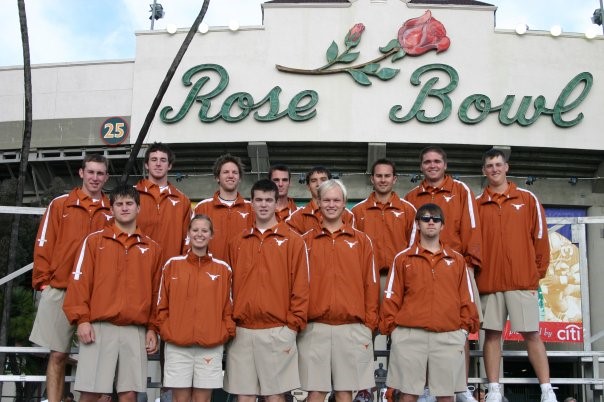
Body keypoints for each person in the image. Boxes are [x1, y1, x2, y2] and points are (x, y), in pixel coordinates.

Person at [63, 185, 163, 402]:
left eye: (129, 204)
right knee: (90, 392)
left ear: (138, 208)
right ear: (111, 209)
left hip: (135, 329)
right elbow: (79, 281)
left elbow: (157, 292)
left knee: (129, 394)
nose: (124, 208)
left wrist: (153, 328)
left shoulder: (153, 248)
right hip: (100, 326)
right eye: (119, 204)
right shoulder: (94, 241)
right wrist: (81, 320)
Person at [29, 154, 111, 402]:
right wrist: (43, 283)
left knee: (97, 357)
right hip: (61, 288)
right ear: (81, 173)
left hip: (96, 294)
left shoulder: (112, 209)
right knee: (57, 354)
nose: (95, 177)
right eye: (91, 172)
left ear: (106, 177)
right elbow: (44, 242)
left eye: (100, 173)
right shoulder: (60, 204)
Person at [476, 149, 556, 402]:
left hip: (522, 282)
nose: (494, 169)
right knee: (491, 335)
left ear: (506, 167)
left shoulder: (527, 198)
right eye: (489, 166)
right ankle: (494, 389)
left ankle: (546, 389)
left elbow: (541, 239)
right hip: (490, 283)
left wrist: (535, 274)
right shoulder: (477, 203)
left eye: (498, 164)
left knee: (531, 333)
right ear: (484, 170)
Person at [379, 203, 479, 402]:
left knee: (445, 395)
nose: (430, 222)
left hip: (448, 335)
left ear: (443, 226)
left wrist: (463, 331)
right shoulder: (402, 258)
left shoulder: (457, 260)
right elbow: (391, 295)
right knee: (408, 394)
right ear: (417, 224)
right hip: (410, 335)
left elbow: (467, 298)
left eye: (435, 219)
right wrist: (394, 330)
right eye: (425, 218)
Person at [405, 146, 482, 402]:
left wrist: (470, 262)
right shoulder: (411, 196)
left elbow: (472, 226)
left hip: (455, 267)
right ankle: (428, 388)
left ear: (445, 165)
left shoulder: (461, 190)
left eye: (437, 161)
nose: (432, 165)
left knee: (460, 329)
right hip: (421, 268)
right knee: (426, 331)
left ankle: (461, 387)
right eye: (427, 162)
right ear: (421, 166)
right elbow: (409, 236)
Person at [223, 179, 309, 402]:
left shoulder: (293, 241)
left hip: (277, 329)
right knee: (244, 397)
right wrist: (230, 323)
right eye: (258, 200)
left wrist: (291, 326)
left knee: (275, 396)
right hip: (242, 331)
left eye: (268, 200)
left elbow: (301, 286)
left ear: (276, 202)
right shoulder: (237, 242)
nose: (263, 205)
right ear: (251, 202)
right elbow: (227, 288)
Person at [298, 179, 379, 402]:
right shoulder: (304, 242)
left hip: (351, 328)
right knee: (315, 392)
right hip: (315, 328)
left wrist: (368, 325)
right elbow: (297, 286)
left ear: (344, 203)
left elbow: (371, 284)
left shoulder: (362, 241)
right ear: (318, 203)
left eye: (336, 200)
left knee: (345, 392)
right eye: (326, 200)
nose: (331, 204)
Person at [157, 214, 235, 402]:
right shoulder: (172, 265)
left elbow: (228, 308)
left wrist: (223, 333)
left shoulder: (223, 269)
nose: (199, 234)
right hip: (177, 345)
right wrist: (169, 331)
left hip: (210, 346)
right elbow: (162, 305)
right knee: (180, 399)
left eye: (204, 230)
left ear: (211, 235)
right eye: (195, 230)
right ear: (188, 233)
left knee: (202, 399)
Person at [352, 158, 416, 274]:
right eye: (379, 176)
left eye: (387, 176)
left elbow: (414, 244)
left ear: (394, 179)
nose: (383, 180)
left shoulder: (408, 210)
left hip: (400, 274)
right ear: (372, 179)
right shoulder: (357, 211)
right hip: (369, 275)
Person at [136, 142, 192, 259]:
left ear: (169, 165)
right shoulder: (131, 196)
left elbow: (187, 239)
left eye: (163, 160)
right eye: (154, 159)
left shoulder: (182, 200)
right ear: (146, 164)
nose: (158, 164)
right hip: (138, 266)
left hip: (170, 268)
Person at [194, 154, 253, 261]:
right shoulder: (202, 208)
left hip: (243, 274)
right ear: (217, 177)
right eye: (226, 172)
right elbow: (191, 243)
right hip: (212, 273)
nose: (231, 176)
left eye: (235, 172)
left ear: (239, 178)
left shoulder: (252, 208)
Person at [287, 167, 354, 235]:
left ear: (331, 183)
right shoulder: (296, 217)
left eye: (323, 180)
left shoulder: (347, 215)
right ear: (308, 186)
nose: (319, 184)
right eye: (314, 180)